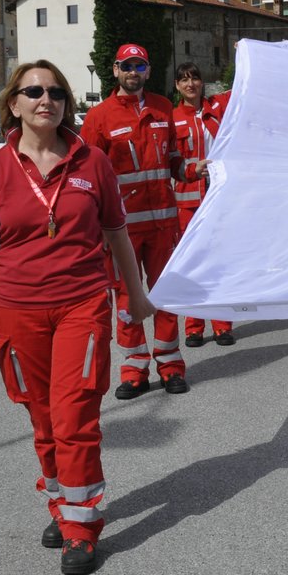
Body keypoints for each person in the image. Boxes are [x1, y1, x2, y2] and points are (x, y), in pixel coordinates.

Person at [0, 60, 154, 575]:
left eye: (55, 92)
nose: (45, 99)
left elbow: (116, 233)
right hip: (19, 311)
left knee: (74, 417)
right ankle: (61, 504)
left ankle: (81, 527)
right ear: (14, 103)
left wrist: (135, 296)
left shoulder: (92, 163)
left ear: (67, 103)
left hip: (82, 305)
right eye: (33, 91)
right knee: (43, 418)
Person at [79, 43, 191, 398]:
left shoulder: (163, 108)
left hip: (164, 226)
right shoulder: (99, 117)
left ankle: (171, 365)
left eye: (139, 66)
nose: (133, 72)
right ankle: (134, 370)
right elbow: (86, 176)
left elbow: (174, 161)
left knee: (166, 296)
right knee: (128, 299)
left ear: (147, 70)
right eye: (127, 66)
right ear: (115, 70)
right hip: (121, 231)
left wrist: (193, 169)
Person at [171, 62, 234, 347]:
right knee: (191, 263)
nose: (190, 84)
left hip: (219, 198)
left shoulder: (217, 108)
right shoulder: (172, 118)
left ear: (202, 82)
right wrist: (192, 168)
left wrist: (243, 55)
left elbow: (246, 89)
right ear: (177, 86)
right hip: (188, 202)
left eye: (194, 78)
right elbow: (170, 160)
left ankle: (222, 324)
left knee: (219, 263)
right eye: (184, 80)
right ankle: (193, 326)